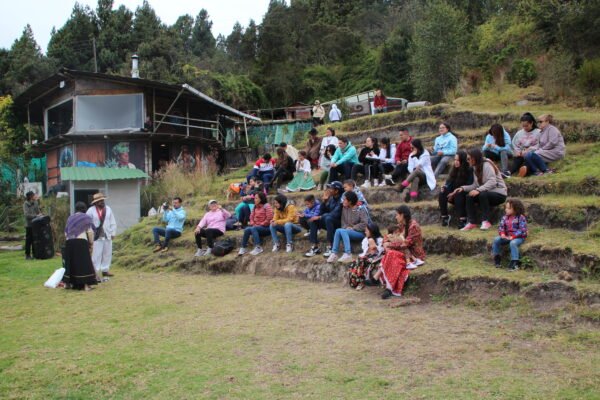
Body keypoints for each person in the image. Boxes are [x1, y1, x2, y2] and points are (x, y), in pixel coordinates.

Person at [375, 205, 425, 299]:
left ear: (402, 215)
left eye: (397, 215)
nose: (396, 217)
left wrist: (389, 245)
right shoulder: (402, 225)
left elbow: (406, 243)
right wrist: (385, 242)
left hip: (414, 255)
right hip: (404, 252)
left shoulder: (413, 226)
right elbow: (388, 235)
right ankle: (388, 287)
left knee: (391, 254)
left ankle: (389, 288)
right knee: (390, 253)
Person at [455, 148, 508, 231]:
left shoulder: (487, 165)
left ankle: (486, 221)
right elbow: (476, 185)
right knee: (469, 196)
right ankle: (472, 222)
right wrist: (463, 188)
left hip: (499, 194)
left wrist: (478, 190)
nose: (467, 161)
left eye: (469, 159)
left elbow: (492, 182)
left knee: (482, 194)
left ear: (474, 158)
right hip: (487, 192)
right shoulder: (475, 167)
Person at [62, 202, 97, 291]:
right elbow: (90, 231)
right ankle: (86, 285)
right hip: (81, 241)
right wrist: (91, 242)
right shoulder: (86, 217)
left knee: (70, 263)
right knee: (83, 263)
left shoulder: (70, 218)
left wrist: (68, 240)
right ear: (84, 209)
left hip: (69, 242)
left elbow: (66, 231)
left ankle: (67, 283)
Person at [327, 191, 369, 263]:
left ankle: (348, 254)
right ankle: (334, 253)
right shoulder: (345, 208)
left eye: (345, 199)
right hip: (348, 231)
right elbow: (343, 222)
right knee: (338, 230)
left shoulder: (361, 208)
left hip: (360, 232)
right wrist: (347, 228)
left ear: (350, 201)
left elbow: (364, 223)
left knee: (342, 231)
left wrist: (353, 228)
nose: (343, 201)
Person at [305, 181, 343, 257]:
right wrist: (324, 202)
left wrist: (320, 217)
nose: (329, 190)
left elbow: (336, 214)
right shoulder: (332, 199)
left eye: (331, 188)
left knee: (328, 218)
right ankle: (315, 246)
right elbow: (323, 212)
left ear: (336, 191)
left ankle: (331, 246)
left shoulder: (342, 199)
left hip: (339, 223)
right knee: (313, 220)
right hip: (330, 222)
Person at [438, 150, 473, 229]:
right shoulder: (454, 170)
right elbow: (449, 183)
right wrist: (445, 187)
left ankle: (463, 219)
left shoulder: (469, 170)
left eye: (458, 160)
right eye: (455, 160)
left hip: (464, 196)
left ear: (463, 161)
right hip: (453, 196)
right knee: (442, 192)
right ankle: (445, 217)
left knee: (459, 193)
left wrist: (454, 192)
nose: (456, 162)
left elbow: (469, 185)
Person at [492, 198, 528, 271]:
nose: (506, 210)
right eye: (506, 208)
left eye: (509, 208)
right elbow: (501, 227)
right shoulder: (505, 217)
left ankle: (515, 263)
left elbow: (522, 230)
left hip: (519, 237)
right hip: (508, 236)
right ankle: (497, 259)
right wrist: (502, 234)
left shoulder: (521, 217)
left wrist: (513, 236)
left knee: (513, 243)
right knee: (496, 239)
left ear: (516, 209)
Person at [87, 193, 117, 277]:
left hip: (107, 234)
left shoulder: (108, 209)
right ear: (95, 203)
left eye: (102, 200)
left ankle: (105, 270)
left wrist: (113, 232)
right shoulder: (90, 210)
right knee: (96, 254)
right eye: (100, 201)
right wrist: (90, 234)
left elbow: (112, 221)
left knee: (107, 253)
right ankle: (95, 272)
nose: (102, 202)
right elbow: (87, 223)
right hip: (96, 235)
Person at [349, 223, 384, 290]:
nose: (365, 232)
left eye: (366, 230)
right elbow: (365, 252)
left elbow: (380, 251)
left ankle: (361, 282)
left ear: (371, 231)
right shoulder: (365, 240)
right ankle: (355, 282)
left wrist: (374, 246)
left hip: (377, 258)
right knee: (356, 262)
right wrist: (369, 247)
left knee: (361, 261)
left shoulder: (380, 240)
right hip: (368, 257)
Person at [23, 191, 41, 260]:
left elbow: (38, 211)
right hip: (29, 225)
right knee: (28, 241)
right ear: (30, 196)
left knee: (35, 240)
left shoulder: (35, 203)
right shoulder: (25, 204)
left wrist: (40, 215)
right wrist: (36, 216)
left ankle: (35, 254)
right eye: (33, 195)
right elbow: (26, 215)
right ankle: (27, 255)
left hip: (35, 224)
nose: (35, 196)